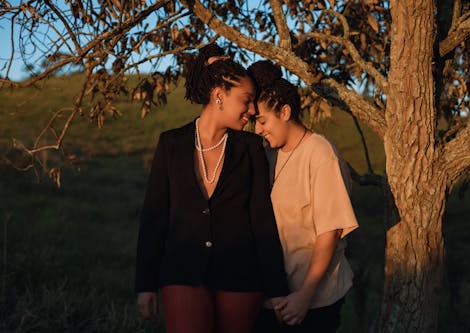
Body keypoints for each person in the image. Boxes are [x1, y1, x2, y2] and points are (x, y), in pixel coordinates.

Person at [135, 45, 288, 333]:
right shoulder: (171, 143)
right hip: (181, 271)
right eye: (247, 100)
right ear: (219, 96)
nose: (252, 110)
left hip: (241, 274)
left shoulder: (251, 148)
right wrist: (145, 284)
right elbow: (154, 217)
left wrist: (277, 288)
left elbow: (262, 220)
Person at [248, 61, 359, 333]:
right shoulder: (269, 155)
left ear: (285, 112)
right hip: (276, 297)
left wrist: (305, 295)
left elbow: (330, 232)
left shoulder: (320, 154)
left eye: (262, 121)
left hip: (314, 300)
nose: (258, 130)